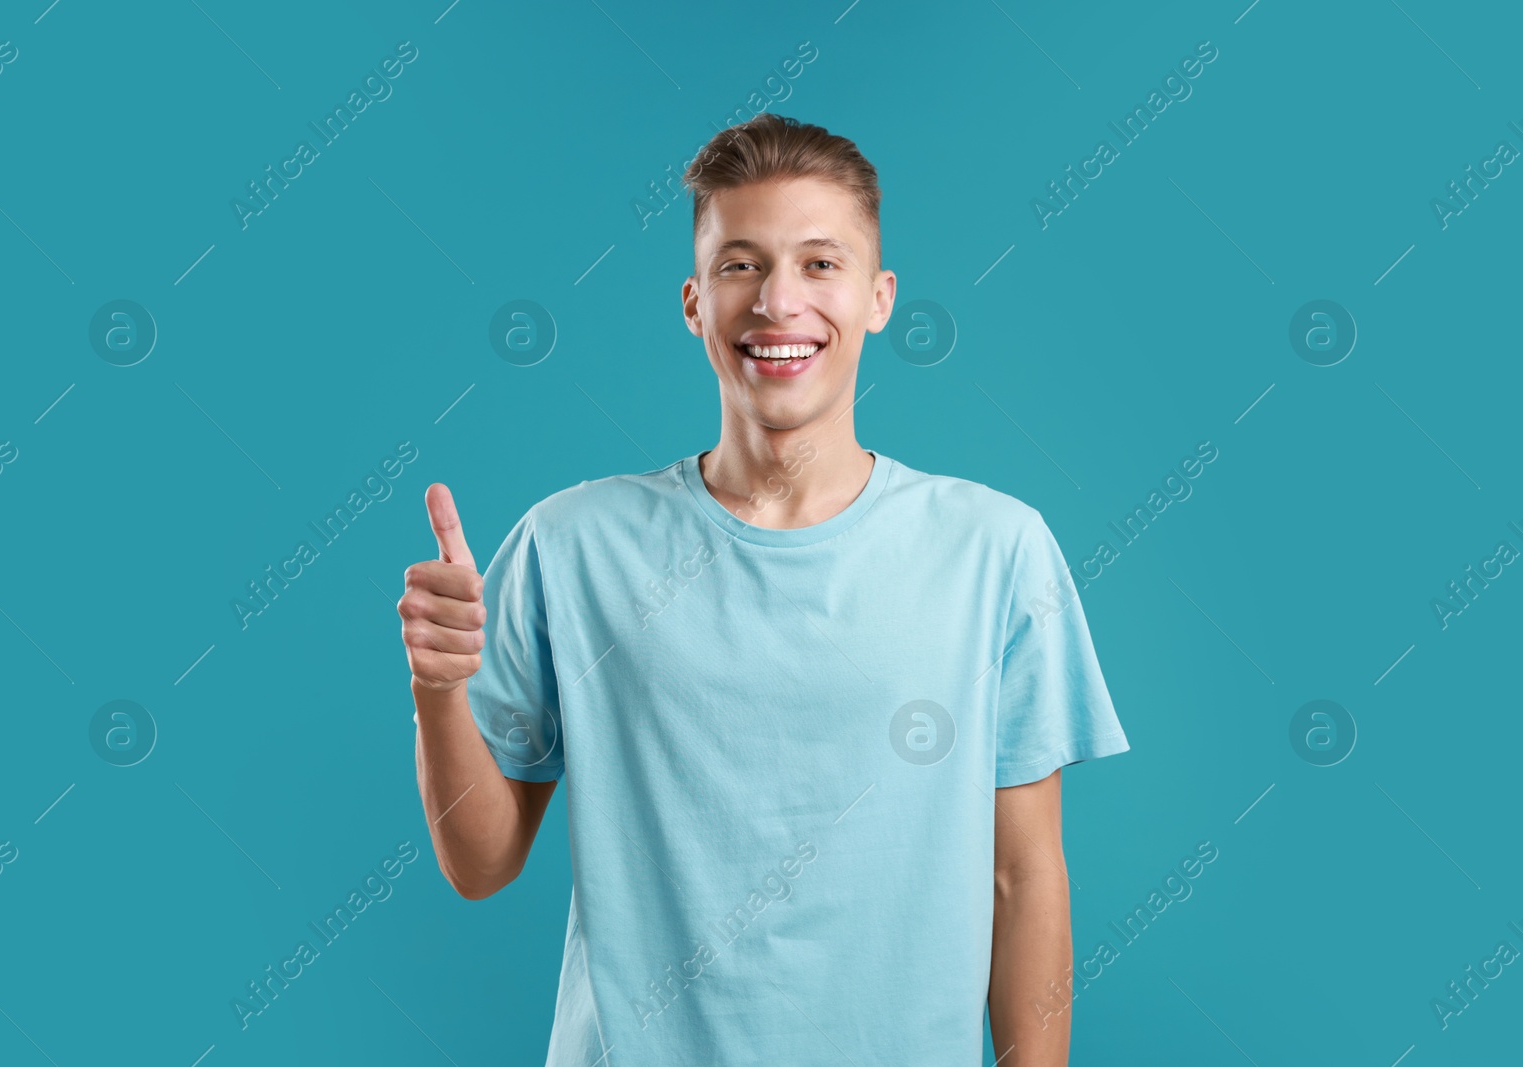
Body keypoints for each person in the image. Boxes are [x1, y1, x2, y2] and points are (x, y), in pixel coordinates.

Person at [400, 112, 1129, 1066]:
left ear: (879, 297)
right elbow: (480, 862)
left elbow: (1021, 877)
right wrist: (439, 691)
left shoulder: (995, 549)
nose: (778, 302)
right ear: (696, 300)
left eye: (820, 264)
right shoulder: (571, 544)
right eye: (741, 264)